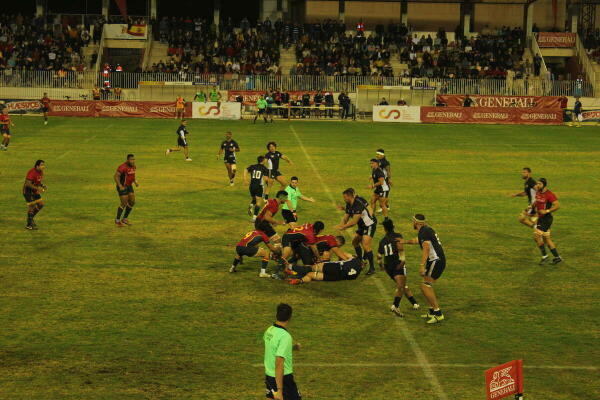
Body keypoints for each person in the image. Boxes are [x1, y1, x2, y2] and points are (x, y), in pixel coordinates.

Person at [405, 214, 446, 324]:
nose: (412, 223)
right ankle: (432, 311)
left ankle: (438, 314)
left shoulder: (424, 232)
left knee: (425, 285)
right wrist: (404, 242)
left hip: (435, 260)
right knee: (425, 285)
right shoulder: (426, 230)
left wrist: (422, 265)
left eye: (413, 221)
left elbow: (426, 248)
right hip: (437, 260)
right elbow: (416, 240)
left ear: (416, 222)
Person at [377, 219, 419, 317]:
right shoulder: (397, 236)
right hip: (397, 264)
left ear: (385, 229)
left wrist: (381, 266)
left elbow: (379, 256)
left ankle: (415, 303)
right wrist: (402, 261)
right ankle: (395, 306)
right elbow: (400, 248)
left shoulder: (382, 241)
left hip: (388, 267)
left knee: (402, 285)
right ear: (393, 226)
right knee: (400, 287)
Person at [263, 304, 302, 400]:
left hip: (270, 376)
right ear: (290, 317)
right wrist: (280, 390)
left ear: (277, 314)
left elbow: (274, 349)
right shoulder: (285, 336)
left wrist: (291, 348)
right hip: (283, 379)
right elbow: (279, 361)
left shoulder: (269, 331)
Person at [335, 188, 377, 275]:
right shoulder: (349, 204)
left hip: (369, 225)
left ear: (349, 196)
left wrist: (343, 227)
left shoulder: (358, 204)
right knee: (355, 242)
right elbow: (346, 217)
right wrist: (341, 225)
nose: (344, 199)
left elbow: (353, 222)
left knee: (366, 245)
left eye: (345, 197)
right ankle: (361, 261)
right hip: (362, 226)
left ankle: (372, 268)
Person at [533, 178, 562, 265]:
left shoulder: (550, 194)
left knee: (536, 236)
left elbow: (557, 205)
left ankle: (545, 256)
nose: (538, 185)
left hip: (546, 219)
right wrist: (531, 206)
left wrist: (546, 211)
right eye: (537, 183)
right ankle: (557, 257)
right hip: (541, 218)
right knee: (547, 239)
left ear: (544, 185)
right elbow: (537, 201)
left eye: (540, 184)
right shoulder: (538, 192)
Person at [289, 257, 363, 284]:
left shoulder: (354, 259)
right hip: (335, 277)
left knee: (310, 268)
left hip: (334, 267)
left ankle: (290, 267)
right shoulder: (355, 276)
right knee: (310, 275)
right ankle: (300, 280)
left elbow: (344, 255)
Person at [114, 154, 138, 227]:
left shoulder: (134, 166)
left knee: (132, 202)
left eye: (133, 159)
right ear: (127, 160)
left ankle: (124, 218)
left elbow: (132, 175)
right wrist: (120, 186)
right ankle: (117, 220)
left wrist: (135, 181)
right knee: (124, 203)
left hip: (129, 186)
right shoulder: (122, 167)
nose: (133, 161)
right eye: (131, 159)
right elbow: (116, 176)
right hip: (122, 186)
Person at [245, 156, 271, 221]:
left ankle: (251, 206)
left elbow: (245, 170)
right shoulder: (264, 168)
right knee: (259, 202)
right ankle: (254, 217)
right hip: (259, 186)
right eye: (265, 160)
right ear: (262, 161)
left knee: (254, 198)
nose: (266, 161)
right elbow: (265, 179)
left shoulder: (253, 166)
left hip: (252, 186)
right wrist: (268, 182)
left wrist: (245, 179)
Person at [23, 160, 47, 230]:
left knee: (41, 204)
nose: (43, 166)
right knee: (32, 206)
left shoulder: (41, 172)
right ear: (37, 166)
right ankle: (30, 223)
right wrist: (38, 189)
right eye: (42, 165)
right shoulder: (32, 172)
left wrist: (42, 185)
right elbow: (28, 184)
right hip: (28, 191)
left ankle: (29, 220)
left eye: (43, 165)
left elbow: (38, 181)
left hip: (34, 191)